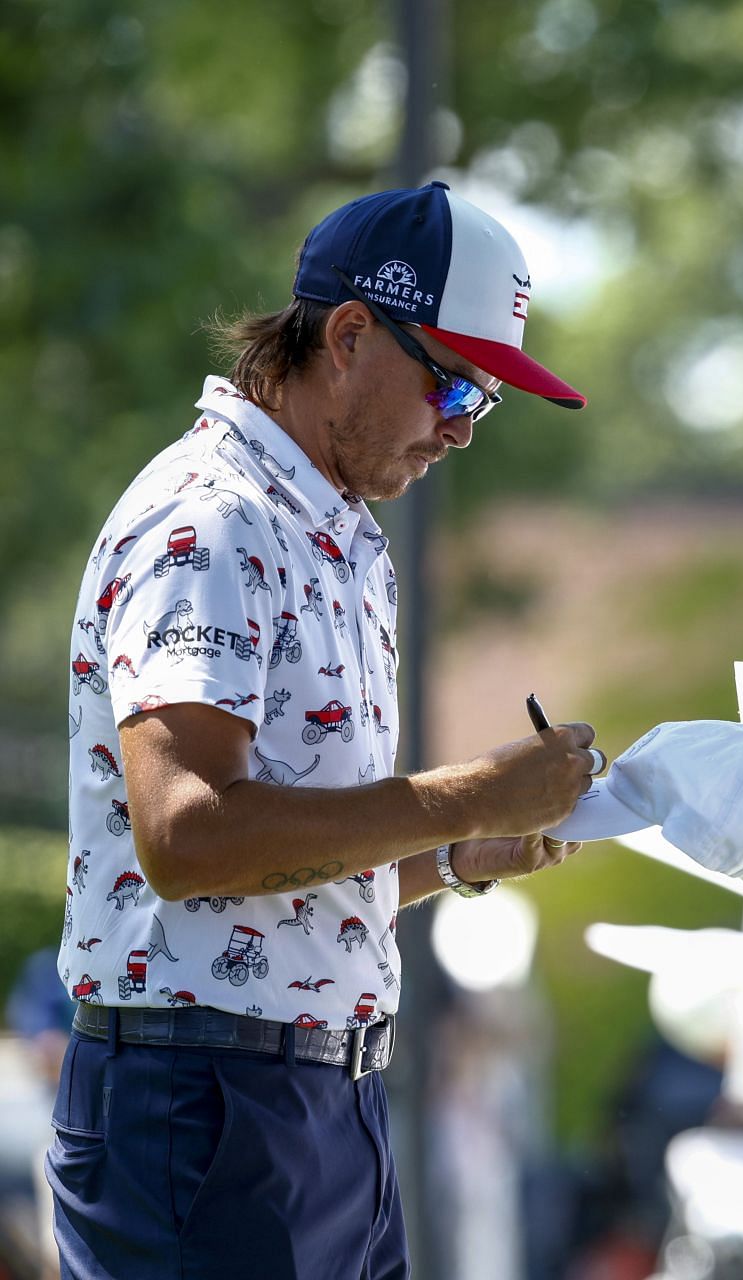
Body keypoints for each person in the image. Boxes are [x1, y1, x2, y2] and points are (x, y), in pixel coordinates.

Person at [51, 181, 606, 1277]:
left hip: (314, 1096)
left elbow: (272, 879)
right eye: (451, 380)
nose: (459, 427)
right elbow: (190, 840)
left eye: (483, 399)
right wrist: (470, 794)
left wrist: (450, 855)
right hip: (199, 1108)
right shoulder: (209, 518)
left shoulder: (336, 530)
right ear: (349, 335)